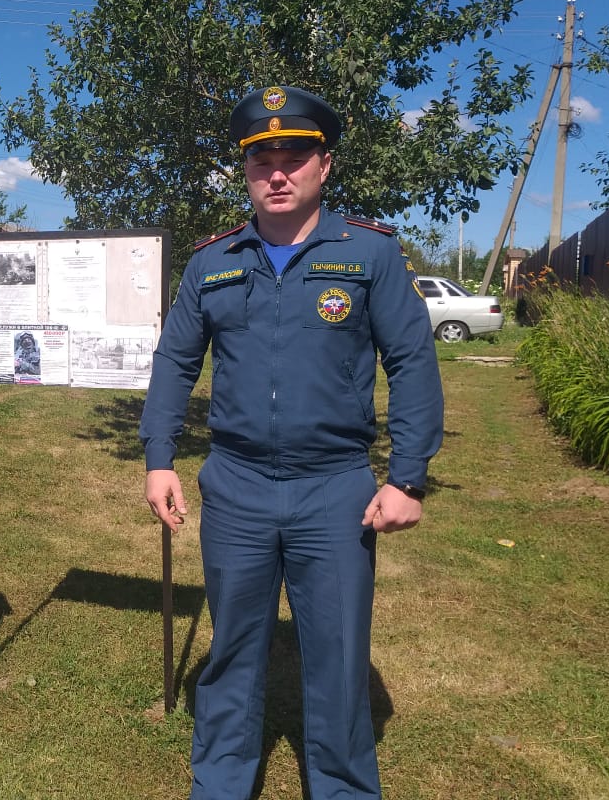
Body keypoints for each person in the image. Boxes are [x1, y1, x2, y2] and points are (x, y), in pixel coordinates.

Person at [139, 86, 443, 799]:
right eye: (261, 160)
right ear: (245, 173)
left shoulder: (369, 255)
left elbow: (412, 363)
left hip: (334, 489)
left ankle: (340, 787)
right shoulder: (212, 262)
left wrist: (407, 476)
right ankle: (220, 784)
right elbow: (174, 362)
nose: (277, 173)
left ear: (324, 167)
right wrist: (159, 458)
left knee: (337, 656)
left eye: (295, 158)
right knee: (232, 650)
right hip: (237, 486)